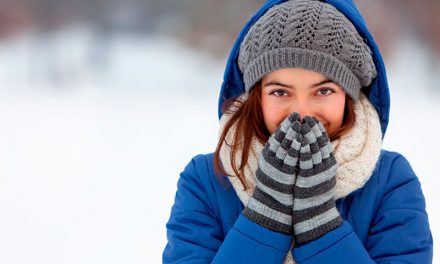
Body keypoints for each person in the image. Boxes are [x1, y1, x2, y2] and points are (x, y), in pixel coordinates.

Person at [163, 0, 433, 263]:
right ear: (256, 97)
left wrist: (322, 229)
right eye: (280, 92)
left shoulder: (390, 181)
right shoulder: (206, 181)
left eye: (323, 91)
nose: (302, 113)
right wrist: (265, 220)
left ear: (349, 96)